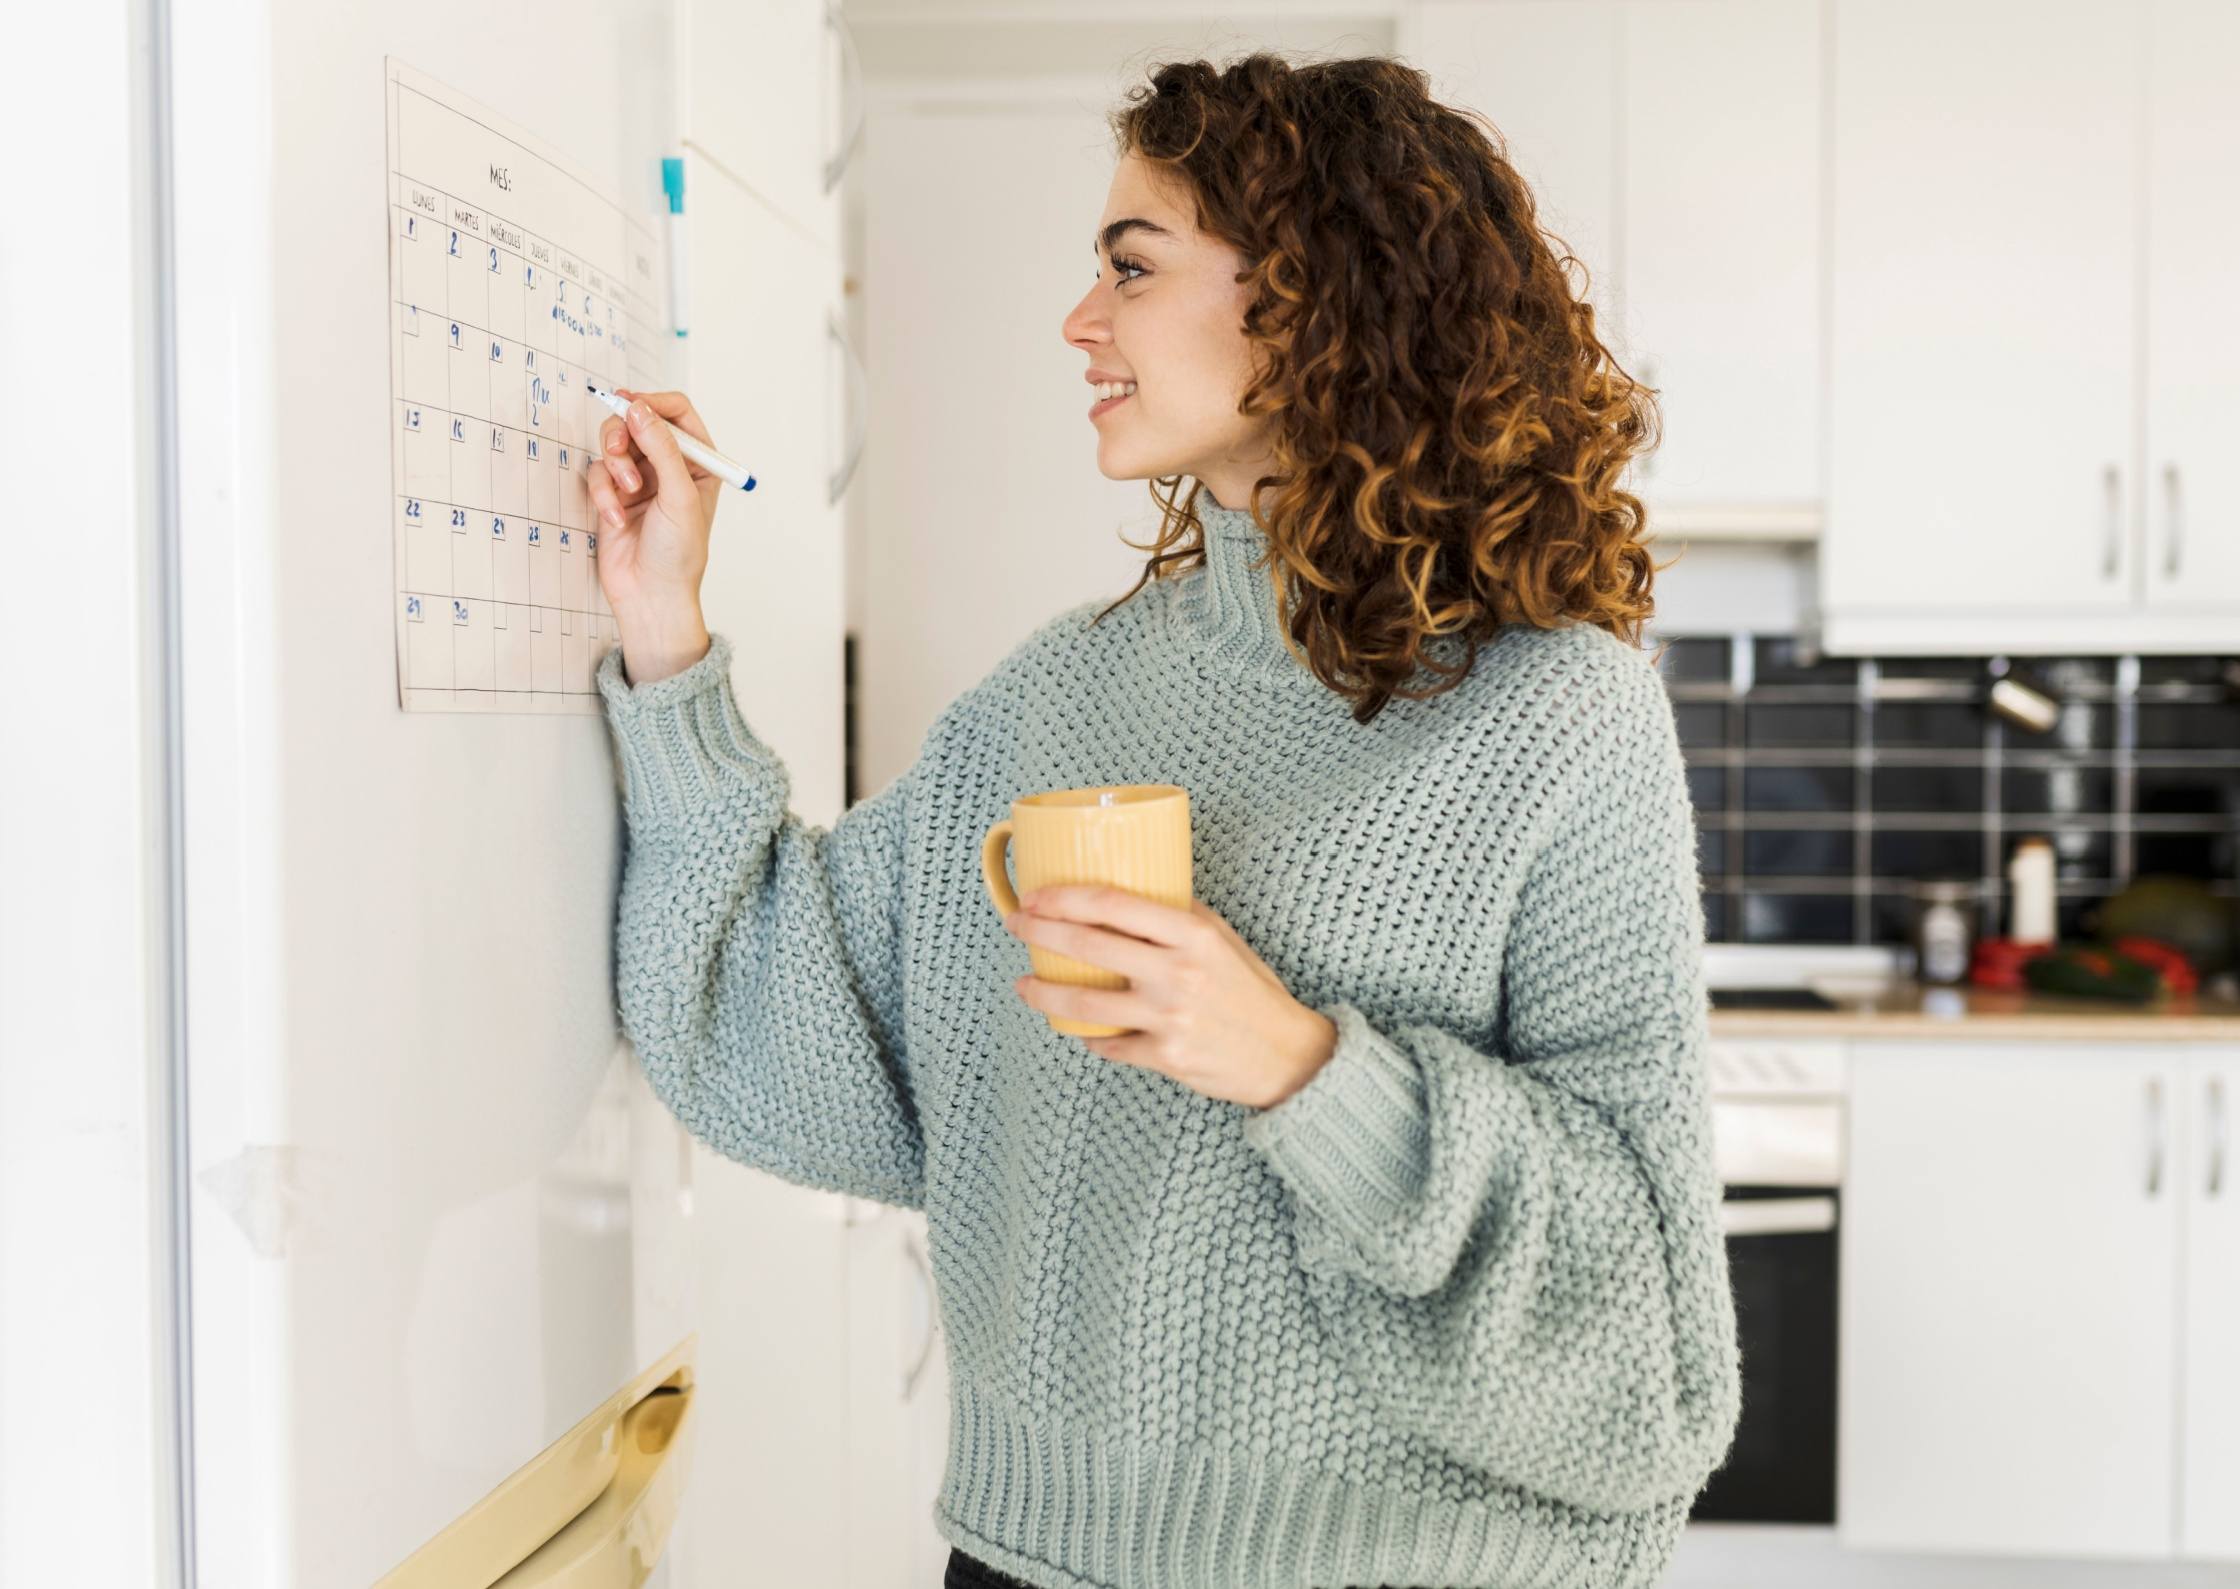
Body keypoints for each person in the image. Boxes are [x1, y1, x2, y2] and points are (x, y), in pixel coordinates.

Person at [585, 51, 1740, 1589]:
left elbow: (1652, 1370)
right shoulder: (1052, 702)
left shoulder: (1556, 719)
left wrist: (1298, 1065)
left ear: (1319, 298)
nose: (1081, 322)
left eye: (1132, 268)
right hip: (1033, 1564)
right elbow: (765, 1012)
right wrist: (665, 631)